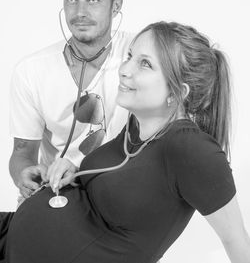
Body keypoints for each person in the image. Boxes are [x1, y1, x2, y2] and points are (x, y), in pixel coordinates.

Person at [4, 21, 250, 263]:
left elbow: (236, 240)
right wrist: (75, 173)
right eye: (130, 55)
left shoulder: (191, 149)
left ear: (177, 92)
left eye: (145, 64)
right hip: (12, 236)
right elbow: (119, 189)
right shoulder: (137, 126)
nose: (124, 69)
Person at [8, 0, 134, 199]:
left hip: (120, 195)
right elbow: (23, 152)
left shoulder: (140, 55)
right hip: (58, 193)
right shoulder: (31, 71)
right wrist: (24, 174)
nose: (80, 13)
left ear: (116, 5)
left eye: (93, 0)